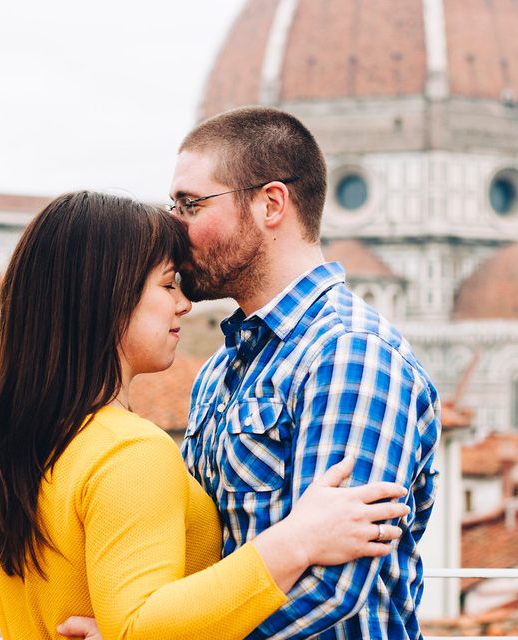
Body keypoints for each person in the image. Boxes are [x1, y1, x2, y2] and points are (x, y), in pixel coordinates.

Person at [0, 191, 413, 640]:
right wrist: (295, 540)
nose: (184, 304)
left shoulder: (16, 449)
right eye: (168, 284)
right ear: (105, 298)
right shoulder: (130, 452)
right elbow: (138, 625)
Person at [168, 106, 443, 639]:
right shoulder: (220, 370)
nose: (173, 227)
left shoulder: (351, 356)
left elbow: (330, 588)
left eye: (191, 205)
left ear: (271, 203)